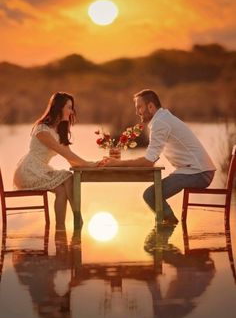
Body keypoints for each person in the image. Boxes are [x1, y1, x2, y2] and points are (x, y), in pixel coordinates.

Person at [102, 89, 216, 225]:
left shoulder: (160, 123)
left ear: (150, 107)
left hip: (198, 173)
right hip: (197, 171)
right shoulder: (162, 119)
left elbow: (149, 161)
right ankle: (165, 228)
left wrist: (117, 164)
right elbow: (151, 158)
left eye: (139, 107)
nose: (137, 112)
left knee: (150, 195)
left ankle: (168, 229)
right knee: (152, 195)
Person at [14, 92, 97, 230]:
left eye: (72, 108)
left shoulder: (60, 131)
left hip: (42, 170)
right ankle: (78, 219)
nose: (71, 112)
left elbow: (70, 158)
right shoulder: (42, 129)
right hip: (28, 171)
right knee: (67, 176)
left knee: (62, 190)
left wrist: (91, 165)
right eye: (69, 107)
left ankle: (60, 229)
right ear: (59, 107)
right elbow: (64, 153)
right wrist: (88, 164)